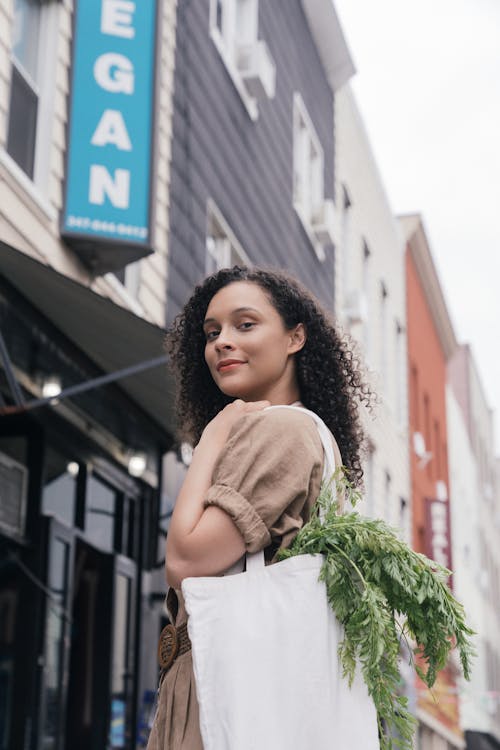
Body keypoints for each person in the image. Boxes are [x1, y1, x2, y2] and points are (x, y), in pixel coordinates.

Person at [147, 265, 372, 750]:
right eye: (212, 332)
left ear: (295, 337)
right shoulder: (294, 433)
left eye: (245, 325)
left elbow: (185, 561)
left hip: (228, 694)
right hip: (235, 686)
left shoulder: (280, 430)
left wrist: (210, 439)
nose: (222, 342)